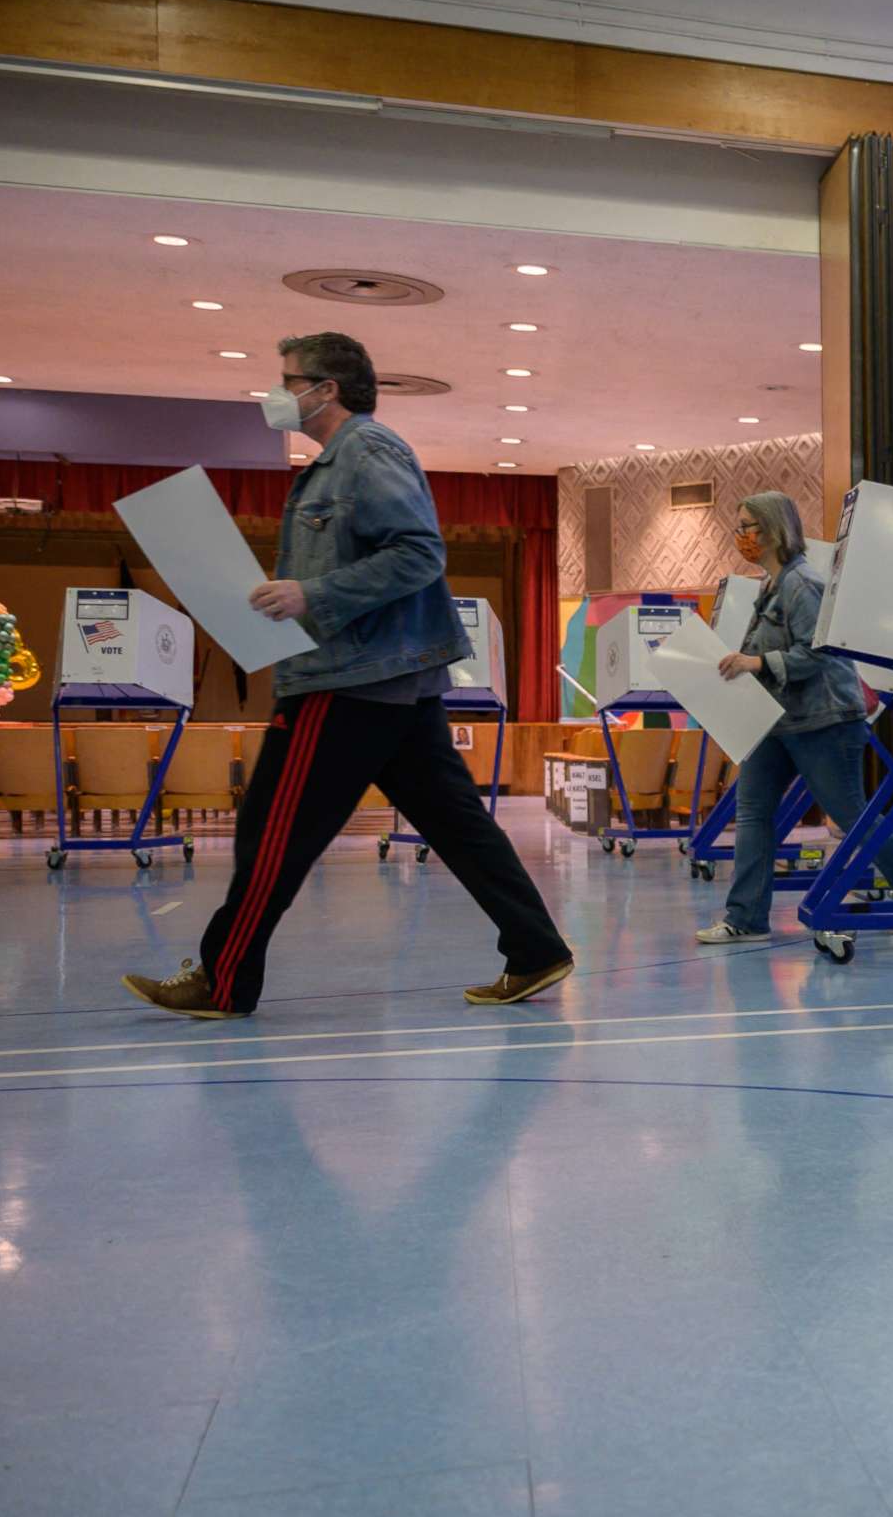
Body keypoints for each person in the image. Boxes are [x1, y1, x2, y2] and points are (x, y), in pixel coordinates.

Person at [124, 332, 575, 1018]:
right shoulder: (337, 461)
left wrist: (315, 595)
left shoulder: (365, 451)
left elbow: (420, 553)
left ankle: (224, 980)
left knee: (273, 831)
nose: (277, 393)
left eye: (288, 379)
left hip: (349, 680)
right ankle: (537, 948)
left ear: (325, 389)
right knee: (457, 826)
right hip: (392, 681)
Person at [693, 492, 893, 944]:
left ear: (772, 530)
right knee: (752, 813)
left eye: (747, 526)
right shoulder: (771, 583)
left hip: (825, 720)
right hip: (778, 721)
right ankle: (745, 918)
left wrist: (758, 663)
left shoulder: (801, 583)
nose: (740, 535)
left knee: (851, 814)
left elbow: (819, 653)